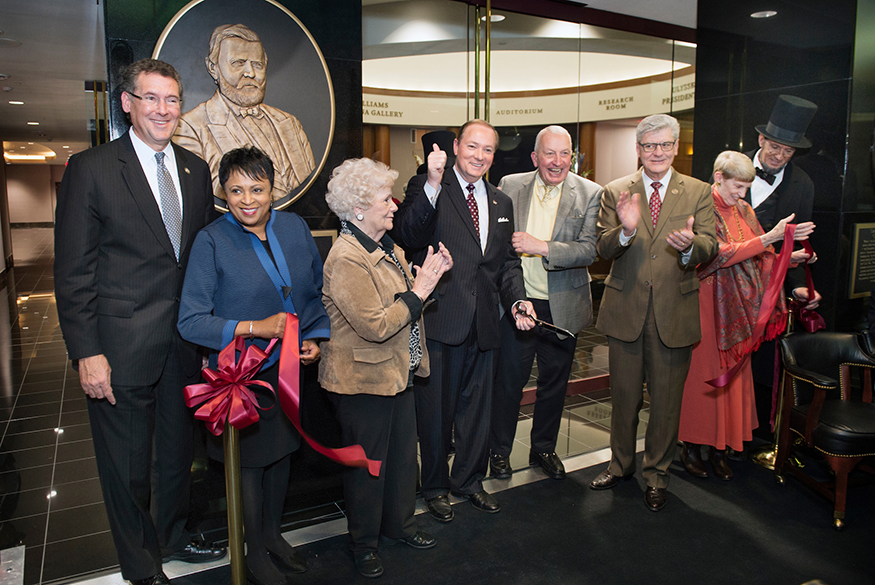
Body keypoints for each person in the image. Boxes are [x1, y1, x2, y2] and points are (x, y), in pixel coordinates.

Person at [54, 59, 224, 585]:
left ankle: (170, 538)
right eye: (151, 98)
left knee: (176, 458)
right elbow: (74, 271)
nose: (162, 110)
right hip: (119, 347)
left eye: (171, 99)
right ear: (127, 103)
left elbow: (199, 259)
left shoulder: (196, 169)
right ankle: (140, 565)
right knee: (126, 467)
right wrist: (87, 352)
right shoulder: (92, 168)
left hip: (182, 344)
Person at [177, 147, 329, 585]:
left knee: (282, 456)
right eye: (237, 190)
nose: (248, 199)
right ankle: (253, 550)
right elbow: (191, 320)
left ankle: (272, 536)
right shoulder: (211, 241)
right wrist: (254, 327)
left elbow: (313, 295)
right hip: (238, 379)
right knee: (246, 466)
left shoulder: (295, 227)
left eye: (257, 189)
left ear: (272, 189)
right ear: (223, 193)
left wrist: (315, 340)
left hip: (286, 372)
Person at [393, 120, 535, 521]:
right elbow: (408, 234)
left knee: (477, 411)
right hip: (441, 318)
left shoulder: (500, 201)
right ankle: (435, 486)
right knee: (435, 411)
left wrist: (519, 301)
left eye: (487, 150)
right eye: (472, 147)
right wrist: (433, 183)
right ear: (456, 146)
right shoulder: (428, 186)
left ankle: (469, 480)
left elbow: (506, 265)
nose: (479, 156)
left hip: (486, 323)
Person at [320, 158, 452, 578]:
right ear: (358, 209)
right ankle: (364, 544)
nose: (394, 206)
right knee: (368, 470)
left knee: (399, 462)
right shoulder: (346, 258)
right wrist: (420, 290)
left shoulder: (388, 248)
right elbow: (375, 325)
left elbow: (404, 308)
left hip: (398, 372)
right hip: (362, 381)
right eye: (384, 199)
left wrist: (428, 281)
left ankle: (400, 526)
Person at [589, 113, 719, 512]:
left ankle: (657, 476)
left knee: (665, 404)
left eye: (664, 145)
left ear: (675, 147)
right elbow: (602, 248)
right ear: (639, 150)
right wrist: (626, 231)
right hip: (626, 309)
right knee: (624, 399)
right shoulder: (615, 191)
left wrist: (687, 246)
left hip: (673, 312)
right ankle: (620, 465)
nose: (657, 152)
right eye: (649, 146)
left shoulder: (698, 191)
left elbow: (711, 245)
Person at [678, 151, 815, 480]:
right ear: (718, 177)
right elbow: (715, 256)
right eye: (737, 187)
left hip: (738, 308)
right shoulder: (701, 207)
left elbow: (760, 256)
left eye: (745, 188)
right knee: (705, 377)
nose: (741, 195)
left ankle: (720, 446)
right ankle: (692, 446)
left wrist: (791, 258)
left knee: (733, 378)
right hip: (707, 304)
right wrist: (769, 237)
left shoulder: (744, 209)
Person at [488, 125, 603, 481]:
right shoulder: (509, 185)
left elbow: (590, 249)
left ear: (573, 156)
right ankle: (500, 451)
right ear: (535, 157)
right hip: (518, 301)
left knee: (555, 384)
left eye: (564, 154)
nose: (557, 162)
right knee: (509, 382)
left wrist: (543, 247)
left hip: (563, 306)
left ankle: (544, 449)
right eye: (549, 154)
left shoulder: (590, 193)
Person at [174, 23, 315, 203]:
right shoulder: (189, 128)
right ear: (213, 67)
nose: (250, 73)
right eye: (238, 63)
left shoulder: (290, 124)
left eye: (257, 64)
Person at [745, 94, 822, 308]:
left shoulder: (803, 184)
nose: (779, 157)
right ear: (762, 140)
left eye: (788, 151)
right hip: (726, 281)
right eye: (775, 148)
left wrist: (798, 287)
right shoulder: (729, 167)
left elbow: (796, 242)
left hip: (770, 288)